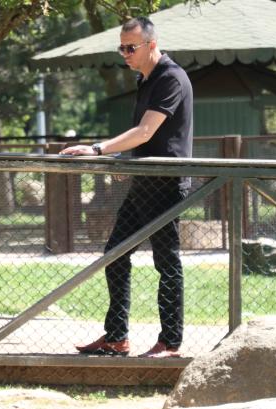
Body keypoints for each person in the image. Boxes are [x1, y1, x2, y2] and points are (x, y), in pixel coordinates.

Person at [60, 17, 193, 358]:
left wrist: (99, 149)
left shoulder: (171, 78)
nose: (124, 53)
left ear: (151, 44)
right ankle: (116, 337)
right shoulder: (145, 79)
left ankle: (171, 343)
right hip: (144, 183)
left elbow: (148, 131)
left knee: (167, 263)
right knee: (115, 253)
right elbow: (149, 137)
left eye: (130, 47)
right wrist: (128, 162)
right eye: (121, 47)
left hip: (165, 185)